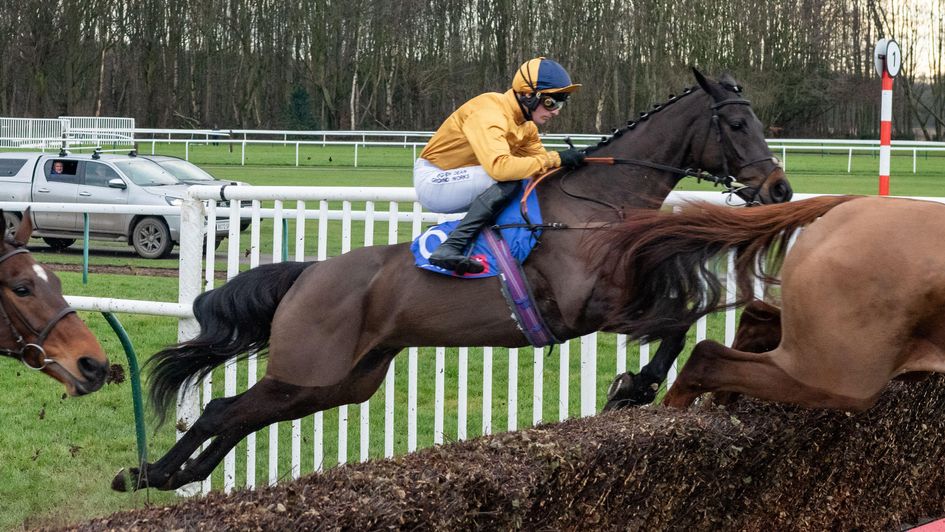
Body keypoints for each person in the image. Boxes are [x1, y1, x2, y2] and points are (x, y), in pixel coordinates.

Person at [414, 57, 586, 275]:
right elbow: (500, 168)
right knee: (509, 177)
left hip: (464, 179)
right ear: (527, 95)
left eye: (562, 103)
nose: (556, 111)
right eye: (552, 102)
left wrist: (581, 160)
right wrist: (556, 158)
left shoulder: (527, 127)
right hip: (434, 180)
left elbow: (542, 168)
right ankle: (450, 247)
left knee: (529, 178)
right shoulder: (489, 111)